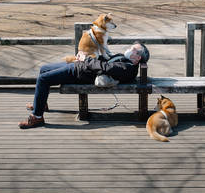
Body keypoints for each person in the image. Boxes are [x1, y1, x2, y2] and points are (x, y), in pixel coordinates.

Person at [18, 42, 150, 129]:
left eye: (133, 49)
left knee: (43, 79)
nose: (129, 48)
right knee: (44, 69)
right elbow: (104, 60)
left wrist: (85, 59)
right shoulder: (125, 60)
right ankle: (41, 105)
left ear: (138, 58)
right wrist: (86, 55)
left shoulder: (127, 69)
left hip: (80, 73)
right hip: (81, 66)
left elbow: (104, 67)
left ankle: (38, 117)